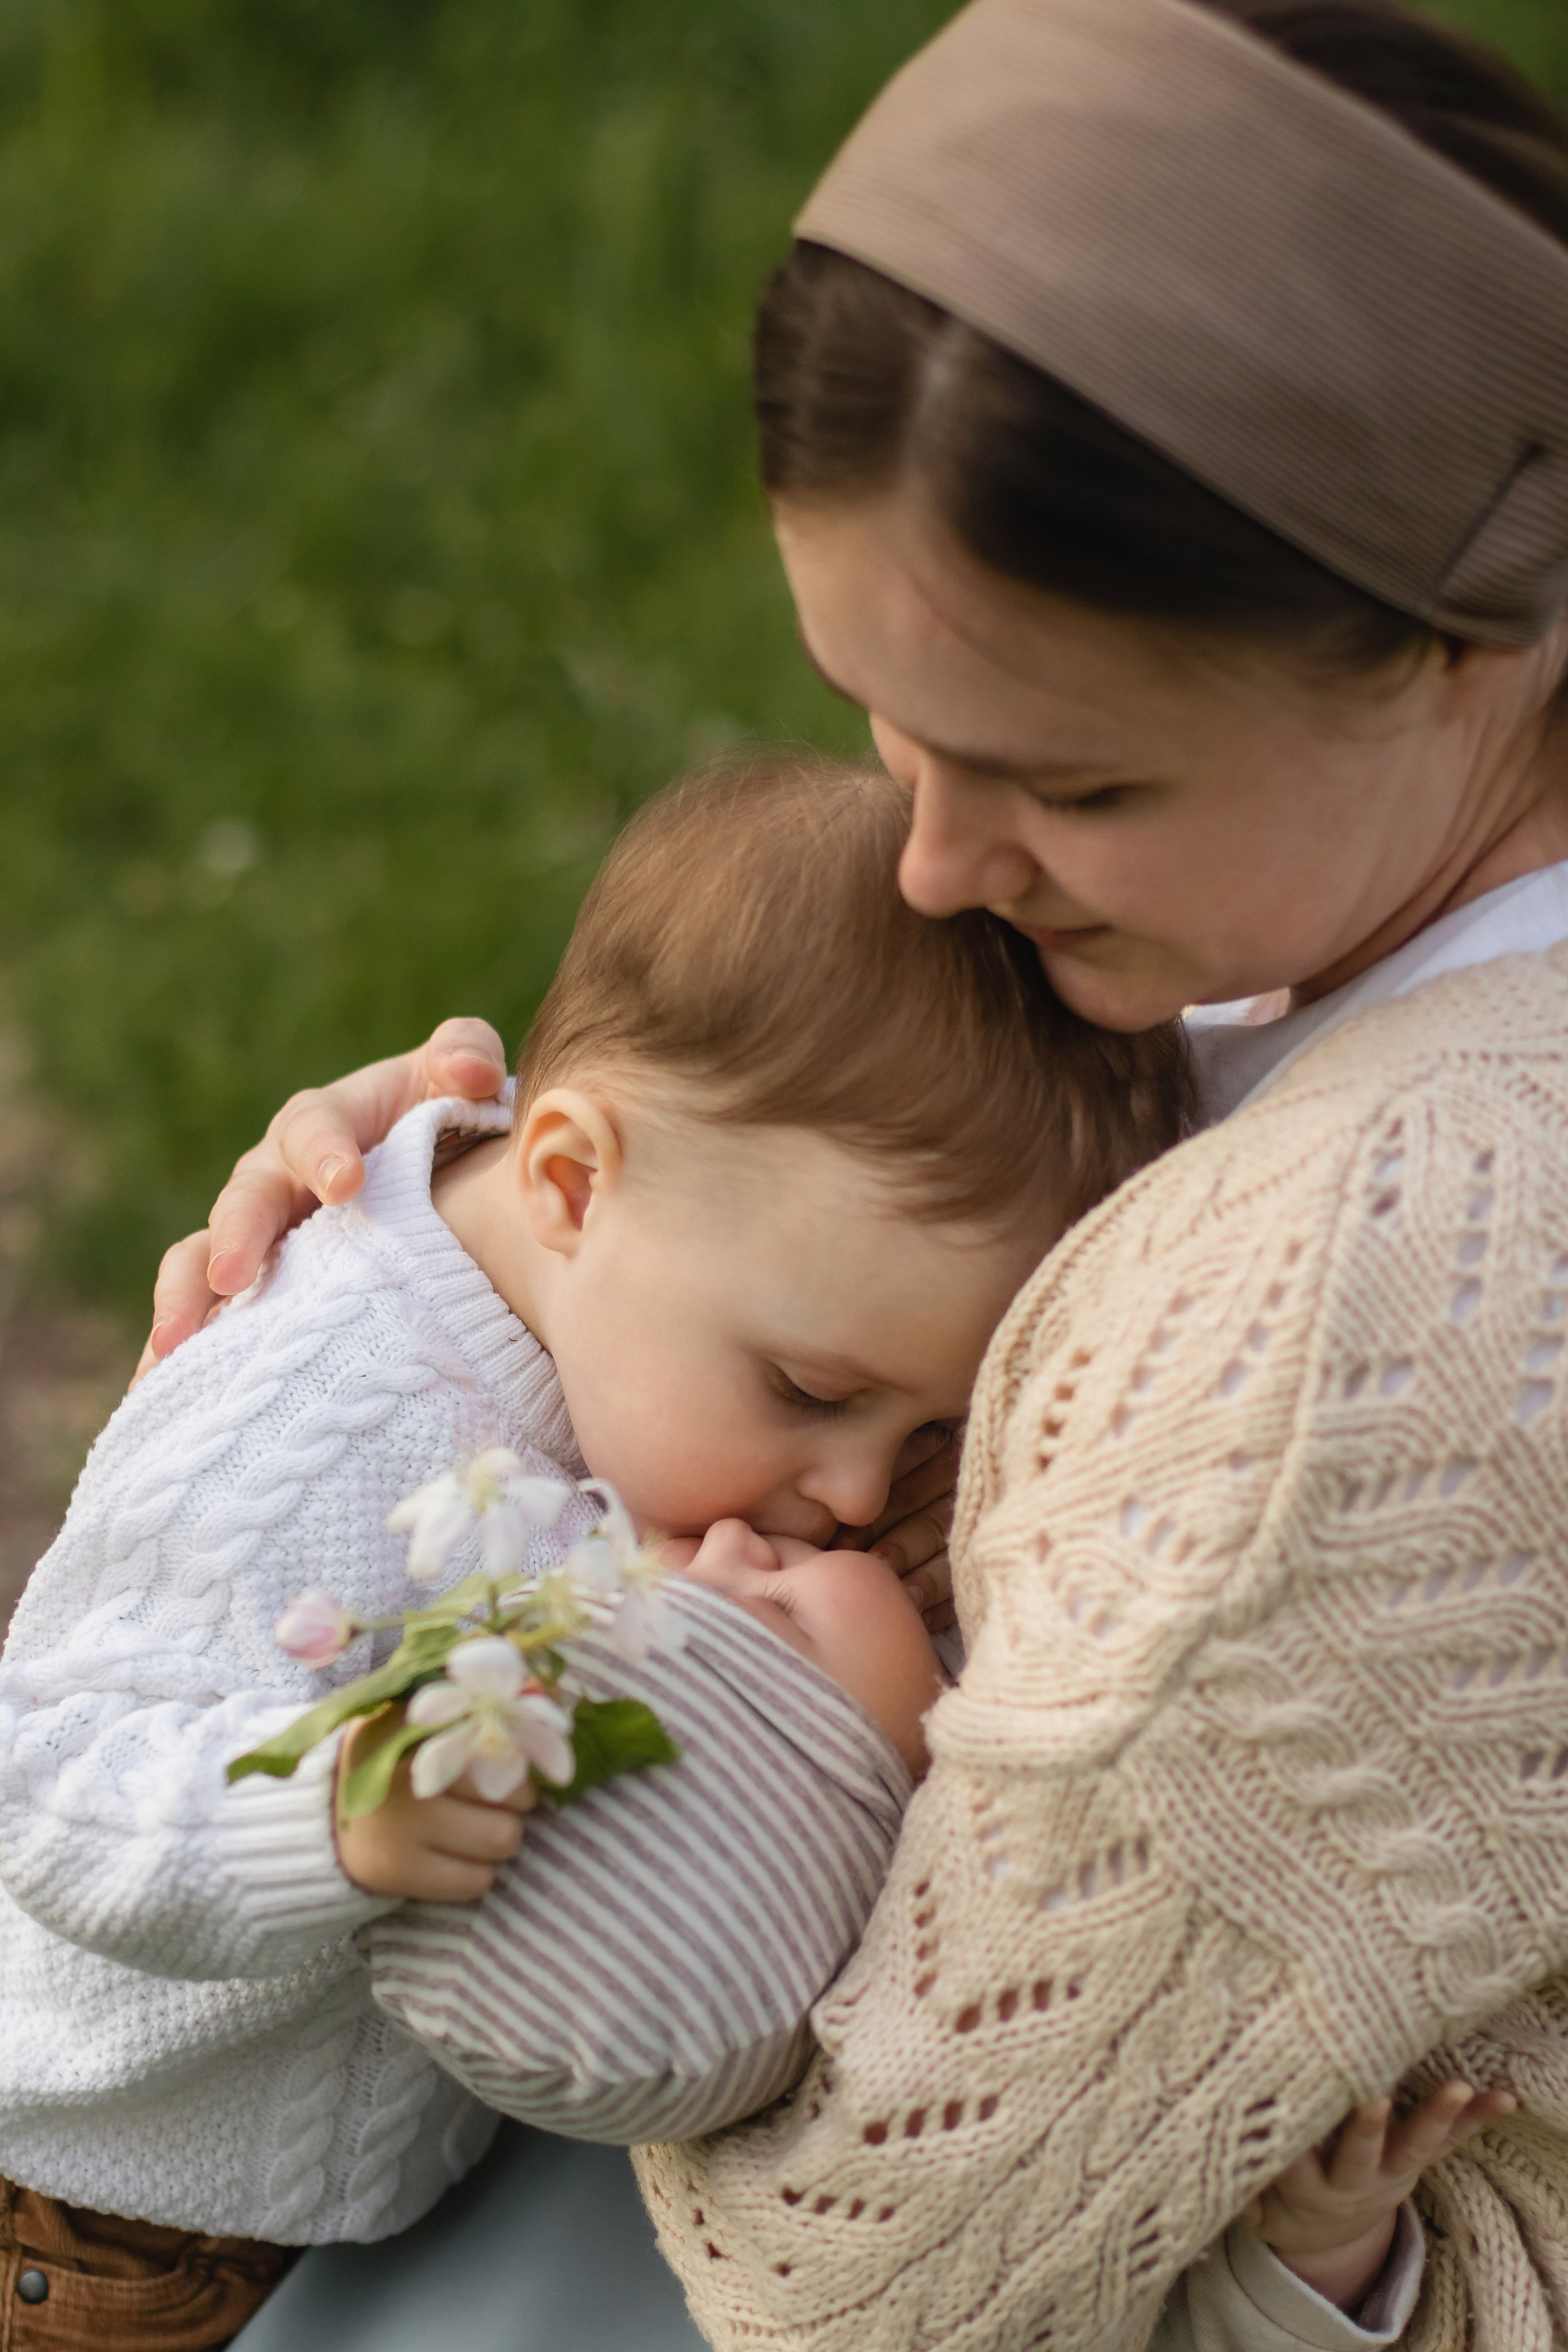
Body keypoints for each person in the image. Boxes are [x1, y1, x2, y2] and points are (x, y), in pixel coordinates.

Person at [153, 1, 1568, 2345]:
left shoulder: (1380, 1298)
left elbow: (874, 2273)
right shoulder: (1321, 913)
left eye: (1070, 786)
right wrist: (493, 1256)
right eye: (889, 733)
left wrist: (791, 1706)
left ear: (1450, 642)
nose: (926, 870)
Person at [0, 754, 1186, 2345]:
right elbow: (53, 1772)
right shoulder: (323, 1430)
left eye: (924, 1432)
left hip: (368, 2191)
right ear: (567, 1182)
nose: (851, 1492)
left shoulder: (662, 1286)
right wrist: (335, 1816)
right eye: (815, 1392)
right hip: (117, 2218)